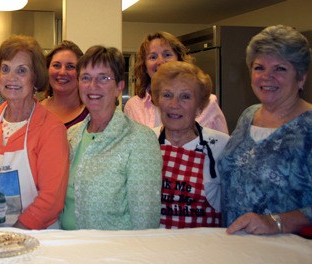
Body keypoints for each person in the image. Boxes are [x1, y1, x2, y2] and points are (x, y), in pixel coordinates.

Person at [219, 25, 311, 235]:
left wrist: (277, 222)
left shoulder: (308, 126)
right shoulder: (248, 115)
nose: (267, 76)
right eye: (259, 67)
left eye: (280, 69)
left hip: (289, 249)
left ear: (301, 77)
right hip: (237, 244)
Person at [60, 45, 162, 230]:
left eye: (103, 78)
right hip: (66, 246)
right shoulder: (71, 135)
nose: (93, 86)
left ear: (119, 87)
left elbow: (145, 222)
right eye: (85, 78)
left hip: (112, 252)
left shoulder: (139, 139)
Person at [0, 35, 70, 229]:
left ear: (35, 79)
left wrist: (15, 234)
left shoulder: (51, 129)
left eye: (22, 71)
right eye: (5, 69)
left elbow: (51, 200)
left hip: (38, 237)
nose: (11, 77)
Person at [150, 61, 230, 229]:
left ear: (200, 106)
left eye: (185, 97)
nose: (174, 105)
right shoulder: (145, 141)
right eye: (167, 95)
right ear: (157, 100)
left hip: (202, 248)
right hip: (154, 247)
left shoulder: (222, 146)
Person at [124, 32, 228, 134]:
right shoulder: (133, 106)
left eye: (167, 55)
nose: (160, 61)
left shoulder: (207, 103)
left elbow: (224, 148)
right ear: (144, 66)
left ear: (179, 59)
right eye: (153, 57)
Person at [40, 40, 88, 128]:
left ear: (81, 72)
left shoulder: (91, 115)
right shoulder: (33, 111)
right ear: (47, 70)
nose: (62, 72)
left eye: (70, 67)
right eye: (56, 65)